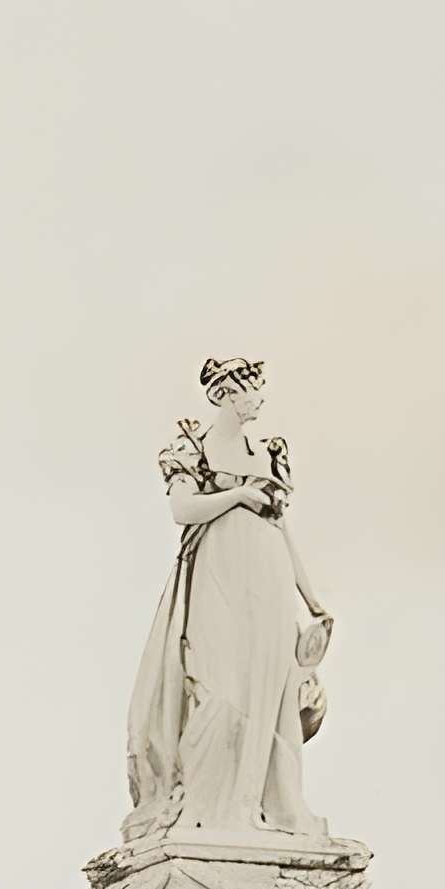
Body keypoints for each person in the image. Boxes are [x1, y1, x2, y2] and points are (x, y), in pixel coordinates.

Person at [126, 353, 334, 841]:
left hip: (269, 578)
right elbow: (183, 510)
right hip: (217, 575)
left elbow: (281, 529)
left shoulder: (269, 453)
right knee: (218, 688)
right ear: (227, 394)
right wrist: (238, 496)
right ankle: (207, 807)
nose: (259, 399)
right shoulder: (192, 448)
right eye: (252, 390)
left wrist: (312, 599)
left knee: (269, 689)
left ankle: (260, 805)